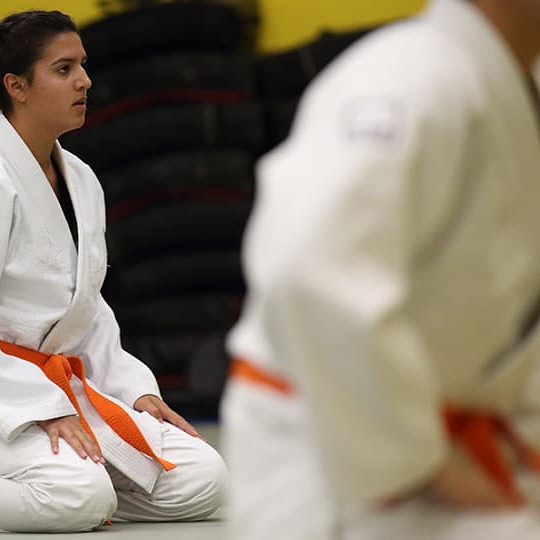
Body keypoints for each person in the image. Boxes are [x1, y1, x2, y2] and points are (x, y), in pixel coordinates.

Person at [0, 10, 227, 533]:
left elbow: (86, 309)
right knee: (78, 491)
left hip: (58, 392)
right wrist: (35, 405)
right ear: (17, 86)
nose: (85, 80)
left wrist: (134, 389)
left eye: (83, 65)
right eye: (63, 69)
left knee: (203, 477)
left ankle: (67, 492)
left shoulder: (80, 178)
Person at [222, 0, 540, 538]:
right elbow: (315, 272)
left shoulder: (505, 82)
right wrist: (418, 464)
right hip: (351, 459)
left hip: (457, 440)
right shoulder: (406, 78)